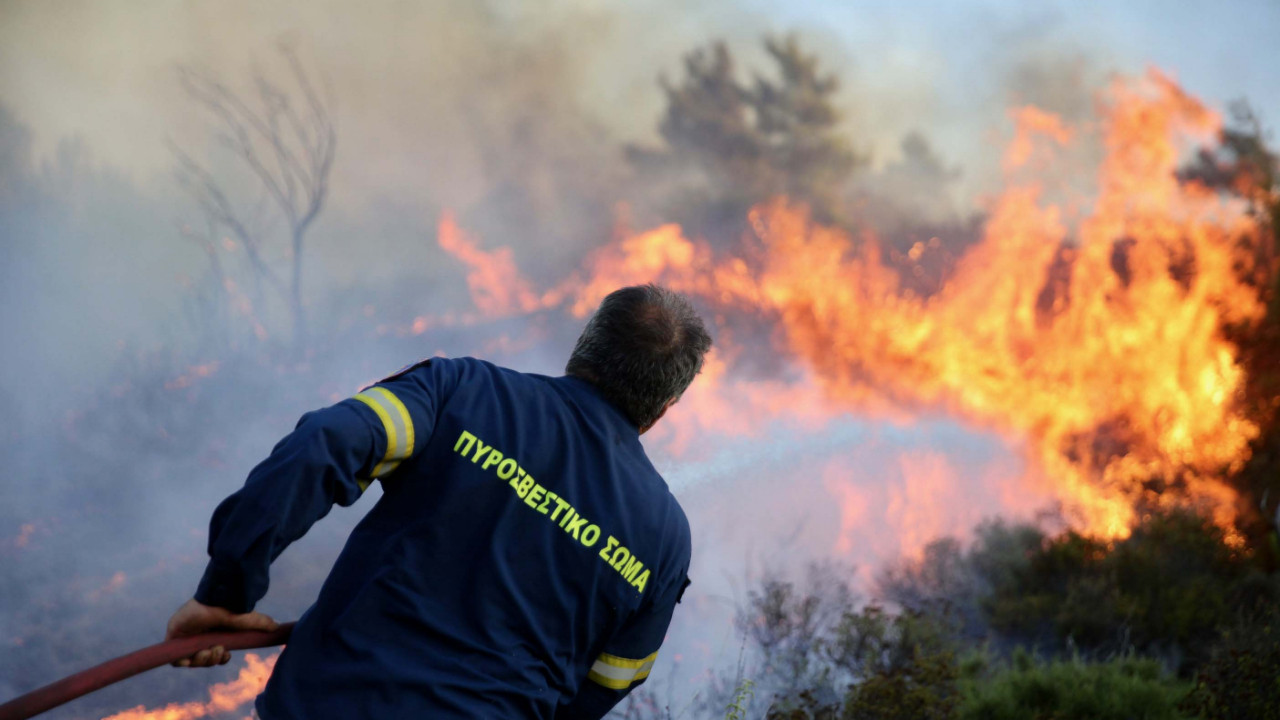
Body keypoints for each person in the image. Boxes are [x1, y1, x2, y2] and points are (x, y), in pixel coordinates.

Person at [164, 284, 712, 719]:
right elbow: (610, 682)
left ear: (582, 346)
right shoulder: (666, 540)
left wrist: (226, 592)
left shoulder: (461, 391)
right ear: (664, 407)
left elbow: (323, 444)